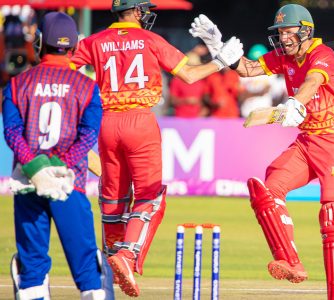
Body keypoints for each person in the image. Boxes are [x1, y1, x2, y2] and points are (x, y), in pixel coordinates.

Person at [70, 0, 243, 297]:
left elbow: (65, 67)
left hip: (107, 123)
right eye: (144, 10)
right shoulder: (150, 39)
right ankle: (126, 256)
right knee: (150, 197)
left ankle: (107, 281)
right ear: (136, 12)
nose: (147, 15)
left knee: (113, 199)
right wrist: (220, 61)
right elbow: (188, 75)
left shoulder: (94, 41)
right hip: (140, 122)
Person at [191, 4, 334, 300]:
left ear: (306, 30)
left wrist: (294, 104)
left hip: (333, 143)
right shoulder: (283, 55)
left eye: (288, 32)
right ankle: (290, 261)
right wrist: (218, 48)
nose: (283, 38)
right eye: (279, 33)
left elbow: (312, 81)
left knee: (333, 214)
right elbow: (248, 69)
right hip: (307, 142)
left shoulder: (323, 55)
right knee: (268, 188)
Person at [2, 12, 114, 300]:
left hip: (29, 183)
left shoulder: (16, 85)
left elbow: (12, 133)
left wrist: (36, 167)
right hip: (69, 184)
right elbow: (89, 135)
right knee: (90, 274)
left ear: (39, 43)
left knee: (32, 272)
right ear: (74, 47)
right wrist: (60, 165)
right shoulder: (87, 87)